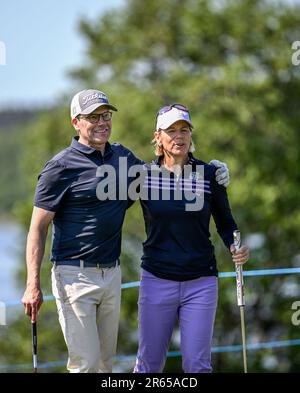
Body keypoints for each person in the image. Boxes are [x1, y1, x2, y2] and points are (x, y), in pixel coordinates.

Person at [21, 90, 230, 373]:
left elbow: (164, 173)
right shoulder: (60, 167)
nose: (102, 122)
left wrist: (211, 170)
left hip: (112, 274)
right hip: (73, 274)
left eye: (105, 115)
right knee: (86, 364)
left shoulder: (122, 157)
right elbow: (37, 228)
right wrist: (32, 284)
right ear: (75, 123)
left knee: (106, 365)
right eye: (93, 117)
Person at [133, 104, 249, 373]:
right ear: (158, 137)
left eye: (184, 129)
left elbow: (226, 222)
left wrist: (236, 245)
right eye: (171, 131)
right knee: (148, 364)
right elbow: (111, 208)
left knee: (198, 365)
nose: (179, 136)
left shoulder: (210, 174)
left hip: (201, 281)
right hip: (156, 279)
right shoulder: (143, 176)